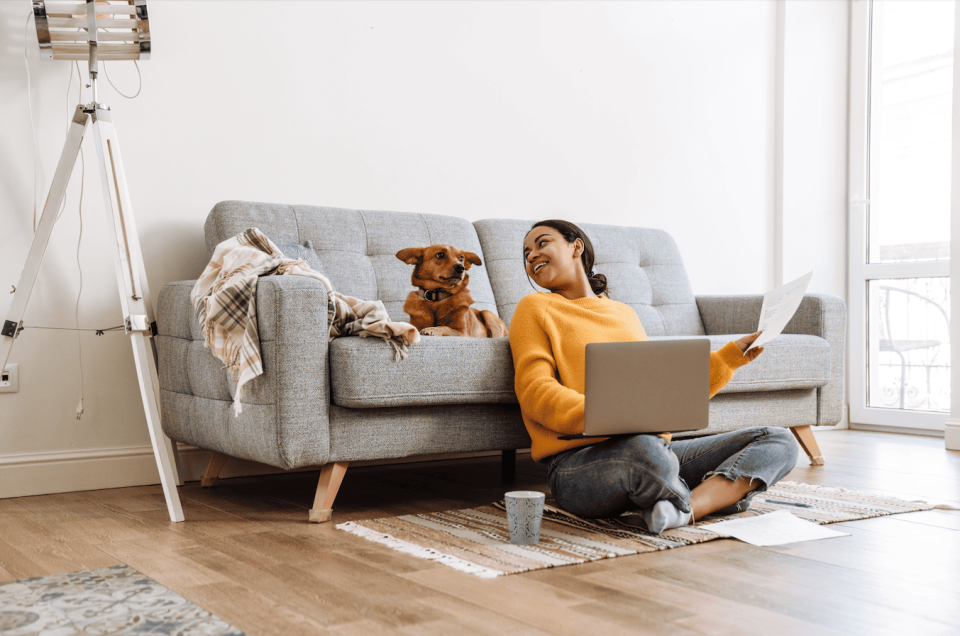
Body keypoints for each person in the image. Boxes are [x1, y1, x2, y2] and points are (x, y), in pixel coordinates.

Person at [509, 220, 799, 534]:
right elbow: (535, 389)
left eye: (542, 243)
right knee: (645, 454)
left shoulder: (624, 313)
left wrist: (730, 357)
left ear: (576, 246)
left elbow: (657, 391)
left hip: (653, 449)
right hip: (579, 463)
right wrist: (602, 414)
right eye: (526, 253)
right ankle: (700, 498)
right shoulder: (534, 308)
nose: (532, 256)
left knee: (778, 440)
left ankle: (679, 511)